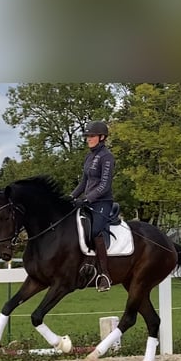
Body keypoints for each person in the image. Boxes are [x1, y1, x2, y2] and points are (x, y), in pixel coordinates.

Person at [71, 120, 115, 292]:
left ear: (102, 137)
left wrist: (87, 199)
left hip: (103, 203)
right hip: (88, 201)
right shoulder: (89, 157)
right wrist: (70, 197)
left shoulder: (107, 157)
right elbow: (83, 182)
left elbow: (105, 185)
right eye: (87, 136)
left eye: (91, 136)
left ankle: (105, 275)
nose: (88, 139)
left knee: (95, 231)